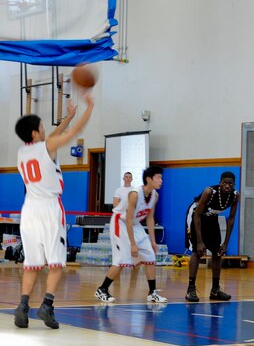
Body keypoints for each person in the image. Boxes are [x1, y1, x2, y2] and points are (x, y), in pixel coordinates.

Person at [14, 95, 94, 329]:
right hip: (49, 208)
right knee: (57, 263)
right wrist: (88, 109)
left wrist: (68, 115)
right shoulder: (46, 146)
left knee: (32, 263)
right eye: (41, 126)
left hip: (29, 209)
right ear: (35, 133)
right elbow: (68, 134)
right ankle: (47, 306)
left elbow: (53, 136)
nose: (44, 128)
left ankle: (22, 306)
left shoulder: (22, 152)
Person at [95, 166, 167, 303]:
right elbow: (127, 219)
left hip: (135, 224)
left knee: (150, 255)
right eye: (158, 178)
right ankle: (102, 289)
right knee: (123, 259)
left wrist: (153, 241)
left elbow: (150, 218)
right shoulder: (135, 194)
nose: (161, 181)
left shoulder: (155, 195)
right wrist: (133, 244)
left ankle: (152, 292)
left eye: (161, 178)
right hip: (120, 222)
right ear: (148, 179)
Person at [185, 171, 240, 302]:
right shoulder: (209, 192)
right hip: (196, 216)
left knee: (217, 252)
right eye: (224, 183)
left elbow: (231, 219)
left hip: (211, 218)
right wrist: (199, 241)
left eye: (230, 184)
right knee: (197, 252)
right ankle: (191, 289)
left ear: (234, 185)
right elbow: (197, 215)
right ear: (220, 183)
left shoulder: (235, 196)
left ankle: (215, 290)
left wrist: (225, 243)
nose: (227, 186)